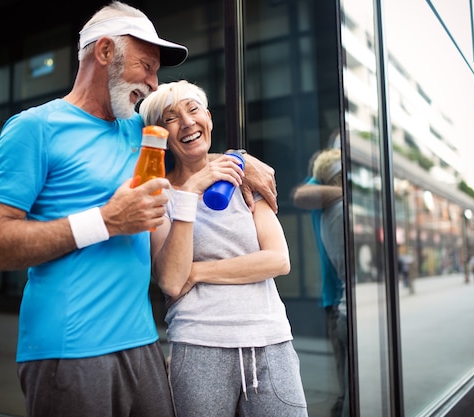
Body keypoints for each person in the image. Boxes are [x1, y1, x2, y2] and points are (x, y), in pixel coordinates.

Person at [0, 3, 276, 417]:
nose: (153, 82)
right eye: (146, 67)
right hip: (69, 349)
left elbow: (192, 143)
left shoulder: (140, 130)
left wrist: (241, 159)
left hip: (143, 345)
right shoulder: (34, 128)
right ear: (106, 52)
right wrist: (106, 222)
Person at [138, 80, 308, 417]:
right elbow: (172, 281)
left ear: (209, 119)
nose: (187, 122)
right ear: (161, 135)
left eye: (193, 109)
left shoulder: (246, 180)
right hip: (198, 345)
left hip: (270, 341)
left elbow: (278, 259)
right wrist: (189, 192)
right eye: (171, 118)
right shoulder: (159, 196)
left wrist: (198, 272)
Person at [292, 146, 348, 417]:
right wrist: (347, 192)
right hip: (335, 296)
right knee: (345, 375)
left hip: (352, 294)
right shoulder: (324, 177)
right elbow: (301, 195)